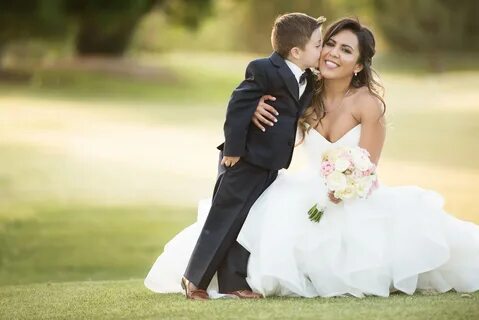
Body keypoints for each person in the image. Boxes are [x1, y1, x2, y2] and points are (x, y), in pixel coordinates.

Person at [145, 13, 326, 300]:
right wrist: (233, 151)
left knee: (246, 221)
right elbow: (238, 104)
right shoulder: (264, 68)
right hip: (244, 159)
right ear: (296, 51)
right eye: (318, 45)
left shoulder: (307, 77)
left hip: (271, 163)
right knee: (223, 218)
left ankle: (232, 283)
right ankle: (193, 280)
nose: (322, 49)